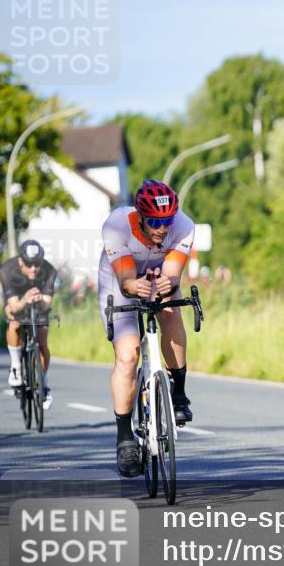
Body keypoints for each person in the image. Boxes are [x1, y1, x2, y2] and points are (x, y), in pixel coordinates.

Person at [98, 180, 195, 477]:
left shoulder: (184, 226)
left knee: (170, 309)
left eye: (166, 221)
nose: (162, 229)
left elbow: (172, 275)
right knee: (128, 354)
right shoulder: (117, 225)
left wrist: (169, 284)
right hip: (119, 278)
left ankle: (178, 391)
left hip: (156, 273)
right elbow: (127, 282)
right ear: (140, 216)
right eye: (154, 222)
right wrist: (133, 285)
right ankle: (124, 436)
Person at [0, 240, 57, 409]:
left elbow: (47, 304)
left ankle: (44, 383)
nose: (33, 268)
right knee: (15, 323)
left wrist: (40, 300)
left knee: (42, 339)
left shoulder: (49, 270)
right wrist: (25, 298)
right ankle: (16, 367)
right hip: (16, 299)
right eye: (29, 264)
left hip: (38, 303)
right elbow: (14, 306)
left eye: (37, 264)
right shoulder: (7, 270)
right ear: (20, 261)